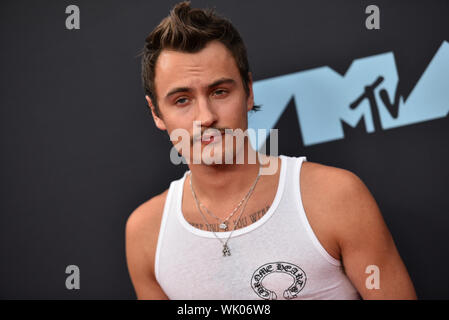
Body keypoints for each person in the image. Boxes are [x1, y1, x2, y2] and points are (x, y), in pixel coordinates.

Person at [125, 1, 417, 300]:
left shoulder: (335, 197)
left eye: (220, 92)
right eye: (182, 100)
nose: (205, 117)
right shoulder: (146, 233)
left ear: (248, 92)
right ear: (156, 112)